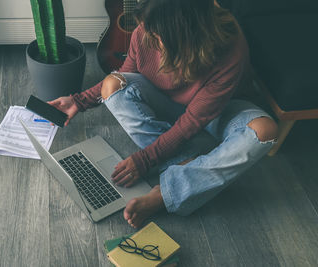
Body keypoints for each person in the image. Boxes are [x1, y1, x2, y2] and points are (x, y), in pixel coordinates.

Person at [48, 0, 278, 228]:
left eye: (157, 35)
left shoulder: (228, 44)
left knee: (264, 131)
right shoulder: (148, 27)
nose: (148, 37)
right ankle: (186, 164)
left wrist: (145, 160)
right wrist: (79, 100)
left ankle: (167, 193)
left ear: (186, 33)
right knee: (112, 83)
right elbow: (126, 73)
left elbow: (192, 122)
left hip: (220, 110)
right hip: (170, 104)